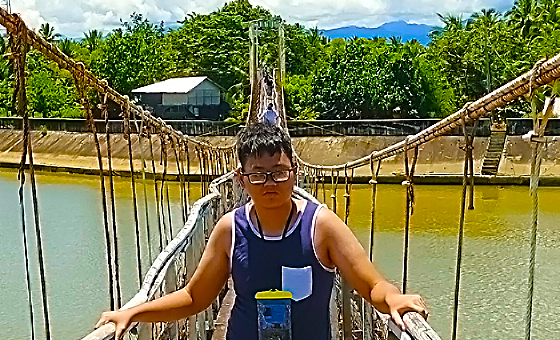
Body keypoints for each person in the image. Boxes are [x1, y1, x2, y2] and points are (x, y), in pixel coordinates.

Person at [97, 122, 428, 339]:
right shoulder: (230, 229)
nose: (270, 183)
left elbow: (372, 285)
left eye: (279, 172)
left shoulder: (321, 226)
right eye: (258, 174)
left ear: (295, 173)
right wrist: (134, 312)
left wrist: (394, 299)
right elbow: (195, 297)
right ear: (241, 179)